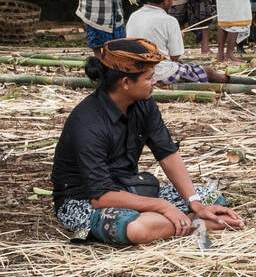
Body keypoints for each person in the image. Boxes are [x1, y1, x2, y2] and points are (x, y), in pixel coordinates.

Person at [49, 38, 243, 246]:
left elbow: (166, 153)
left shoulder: (144, 104)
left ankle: (180, 221)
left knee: (212, 199)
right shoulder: (87, 123)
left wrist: (194, 202)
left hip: (131, 189)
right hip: (85, 201)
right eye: (149, 77)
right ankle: (192, 224)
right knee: (136, 228)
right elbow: (102, 197)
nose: (155, 82)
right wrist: (162, 206)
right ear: (125, 82)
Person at [124, 0, 232, 85]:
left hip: (137, 72)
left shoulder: (134, 16)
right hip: (159, 73)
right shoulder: (169, 20)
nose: (173, 1)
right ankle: (241, 82)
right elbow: (175, 57)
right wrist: (180, 37)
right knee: (208, 71)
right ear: (166, 0)